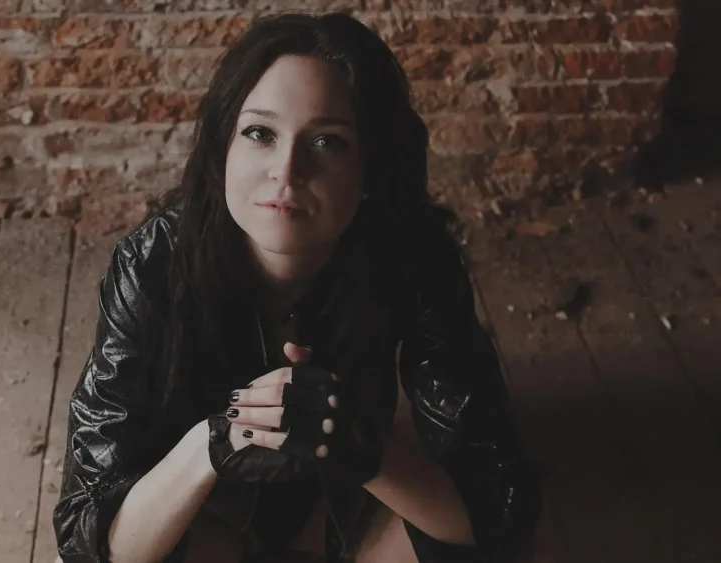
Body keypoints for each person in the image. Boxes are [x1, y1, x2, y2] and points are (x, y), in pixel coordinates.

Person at [52, 11, 542, 563]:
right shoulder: (150, 264)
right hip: (204, 513)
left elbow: (500, 508)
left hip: (349, 504)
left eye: (328, 142)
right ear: (222, 149)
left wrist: (353, 444)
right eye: (260, 133)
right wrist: (217, 442)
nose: (287, 172)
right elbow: (86, 535)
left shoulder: (412, 256)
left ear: (371, 171)